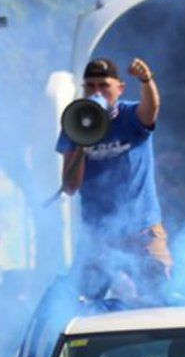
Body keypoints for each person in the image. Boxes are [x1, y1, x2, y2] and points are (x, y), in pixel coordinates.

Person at [59, 57, 169, 282]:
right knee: (83, 294)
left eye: (103, 86)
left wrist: (146, 80)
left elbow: (151, 110)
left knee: (158, 288)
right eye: (90, 86)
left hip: (142, 228)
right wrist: (82, 138)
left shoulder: (131, 115)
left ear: (120, 89)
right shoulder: (74, 124)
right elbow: (70, 187)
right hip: (98, 234)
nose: (96, 92)